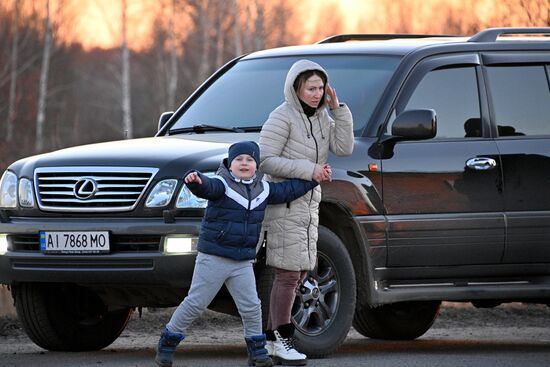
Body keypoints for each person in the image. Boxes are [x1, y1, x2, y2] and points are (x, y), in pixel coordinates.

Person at [155, 141, 323, 367]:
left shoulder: (263, 189)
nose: (244, 163)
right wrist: (195, 180)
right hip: (213, 258)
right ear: (229, 164)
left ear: (257, 165)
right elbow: (207, 187)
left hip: (242, 261)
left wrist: (314, 179)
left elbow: (288, 191)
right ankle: (167, 343)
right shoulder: (221, 184)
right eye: (239, 160)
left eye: (250, 160)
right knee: (195, 303)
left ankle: (257, 352)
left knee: (252, 307)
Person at [259, 59, 354, 365]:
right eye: (310, 88)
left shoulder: (323, 118)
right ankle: (281, 340)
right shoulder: (281, 117)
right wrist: (309, 170)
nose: (316, 94)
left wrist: (339, 110)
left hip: (309, 207)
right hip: (284, 207)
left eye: (320, 88)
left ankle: (274, 340)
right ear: (296, 88)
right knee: (287, 275)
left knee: (299, 272)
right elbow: (265, 160)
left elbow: (345, 147)